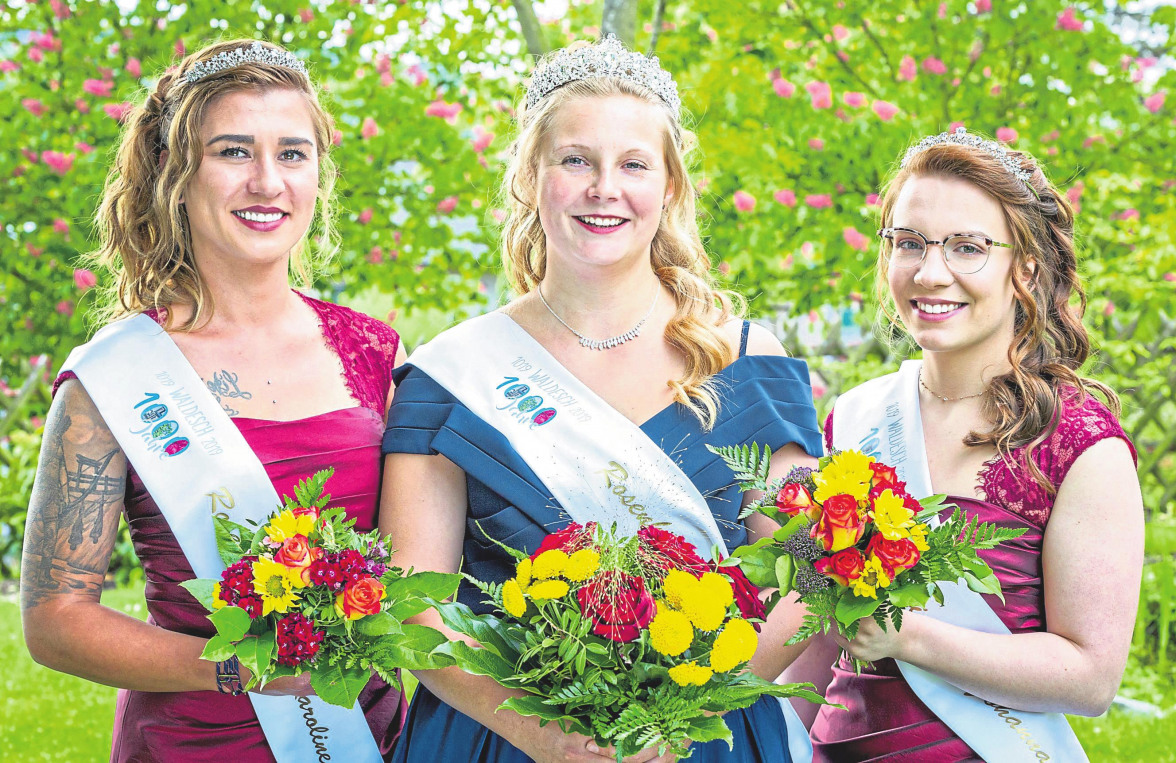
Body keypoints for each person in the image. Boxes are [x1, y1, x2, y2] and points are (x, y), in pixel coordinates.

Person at [381, 37, 823, 763]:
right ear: (531, 176)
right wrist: (541, 734)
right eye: (576, 160)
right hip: (502, 736)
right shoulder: (453, 377)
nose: (604, 188)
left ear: (670, 186)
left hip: (707, 736)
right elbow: (412, 605)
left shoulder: (747, 359)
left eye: (634, 165)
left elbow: (806, 570)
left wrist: (687, 717)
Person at [20, 39, 407, 762]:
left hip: (371, 739)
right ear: (177, 173)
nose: (268, 181)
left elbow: (419, 572)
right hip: (188, 743)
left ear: (319, 173)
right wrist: (237, 667)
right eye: (233, 152)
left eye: (292, 153)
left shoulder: (376, 354)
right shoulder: (114, 378)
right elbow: (54, 620)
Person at [807, 128, 1144, 761]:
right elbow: (818, 637)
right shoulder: (854, 419)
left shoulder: (1079, 447)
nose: (930, 273)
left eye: (968, 247)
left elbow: (1091, 678)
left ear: (1026, 268)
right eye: (909, 243)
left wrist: (909, 637)